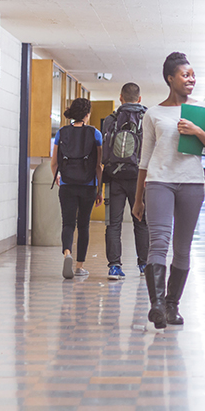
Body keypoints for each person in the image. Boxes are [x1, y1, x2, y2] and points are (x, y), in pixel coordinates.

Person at [132, 52, 205, 329]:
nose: (191, 79)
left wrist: (197, 131)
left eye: (193, 75)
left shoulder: (204, 111)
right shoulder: (153, 113)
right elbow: (145, 159)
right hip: (159, 182)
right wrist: (138, 199)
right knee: (158, 242)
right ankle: (157, 305)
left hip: (192, 183)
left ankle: (172, 305)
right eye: (185, 75)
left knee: (182, 248)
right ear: (170, 78)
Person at [52, 97, 103, 280]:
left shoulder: (61, 132)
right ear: (87, 114)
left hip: (67, 185)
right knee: (83, 225)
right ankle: (80, 266)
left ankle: (67, 253)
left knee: (68, 223)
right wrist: (99, 190)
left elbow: (54, 162)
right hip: (88, 186)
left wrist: (57, 177)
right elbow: (98, 166)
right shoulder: (95, 134)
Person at [101, 82, 148, 281]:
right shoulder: (147, 118)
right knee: (141, 222)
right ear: (139, 98)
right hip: (139, 177)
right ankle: (144, 265)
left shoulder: (110, 120)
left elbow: (104, 151)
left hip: (115, 178)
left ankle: (114, 266)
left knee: (113, 224)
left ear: (120, 98)